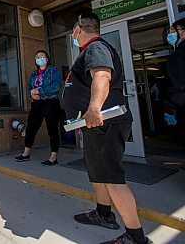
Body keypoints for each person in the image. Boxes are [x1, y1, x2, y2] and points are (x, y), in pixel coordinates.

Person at [62, 13, 151, 244]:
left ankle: (135, 237)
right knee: (99, 174)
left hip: (104, 122)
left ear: (79, 29)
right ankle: (103, 214)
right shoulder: (90, 49)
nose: (74, 35)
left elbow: (102, 75)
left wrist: (94, 108)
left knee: (112, 178)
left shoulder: (96, 47)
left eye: (74, 31)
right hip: (95, 125)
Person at [15, 50, 61, 165]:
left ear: (47, 58)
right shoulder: (34, 74)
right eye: (37, 57)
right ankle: (26, 153)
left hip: (50, 102)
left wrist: (39, 91)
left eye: (42, 56)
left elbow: (56, 86)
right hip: (37, 103)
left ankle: (53, 157)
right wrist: (31, 94)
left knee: (52, 128)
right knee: (31, 127)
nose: (39, 58)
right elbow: (29, 87)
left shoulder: (53, 70)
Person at [164, 17, 185, 180]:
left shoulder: (180, 54)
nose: (170, 35)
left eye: (174, 31)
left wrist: (170, 107)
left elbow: (181, 84)